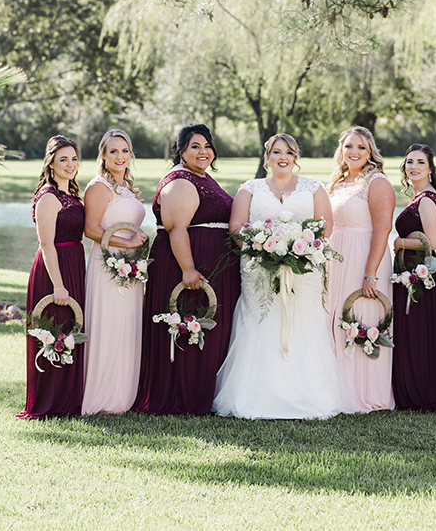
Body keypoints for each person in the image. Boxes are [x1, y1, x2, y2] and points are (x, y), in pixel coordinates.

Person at [213, 133, 350, 419]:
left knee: (303, 321)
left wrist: (298, 248)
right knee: (262, 321)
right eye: (276, 152)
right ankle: (256, 397)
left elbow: (325, 228)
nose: (282, 157)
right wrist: (262, 246)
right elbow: (237, 227)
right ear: (268, 157)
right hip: (259, 269)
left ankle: (309, 395)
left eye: (288, 152)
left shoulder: (314, 188)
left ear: (295, 157)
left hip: (304, 270)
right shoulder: (250, 188)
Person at [134, 123, 240, 414]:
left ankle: (203, 393)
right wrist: (189, 269)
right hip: (189, 266)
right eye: (195, 146)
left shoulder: (202, 177)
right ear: (180, 151)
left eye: (207, 146)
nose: (203, 151)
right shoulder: (180, 182)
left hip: (213, 266)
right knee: (190, 328)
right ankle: (184, 396)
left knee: (209, 330)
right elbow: (176, 228)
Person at [326, 126, 395, 412]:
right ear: (341, 150)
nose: (354, 152)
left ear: (371, 153)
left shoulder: (376, 182)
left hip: (364, 258)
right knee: (334, 320)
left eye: (361, 148)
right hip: (336, 259)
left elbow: (383, 229)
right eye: (349, 146)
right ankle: (336, 389)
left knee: (362, 316)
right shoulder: (338, 181)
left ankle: (364, 392)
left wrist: (370, 273)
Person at [16, 135, 85, 419]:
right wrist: (58, 284)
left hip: (74, 263)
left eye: (74, 159)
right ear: (51, 164)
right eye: (63, 160)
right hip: (54, 268)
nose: (70, 165)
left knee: (72, 331)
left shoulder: (70, 194)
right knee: (54, 330)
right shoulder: (48, 197)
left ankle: (69, 400)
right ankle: (50, 402)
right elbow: (46, 244)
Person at [82, 129, 148, 415]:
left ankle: (123, 395)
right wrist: (125, 242)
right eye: (113, 151)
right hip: (107, 262)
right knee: (108, 324)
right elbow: (91, 229)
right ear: (103, 156)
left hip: (132, 266)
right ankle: (102, 395)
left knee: (127, 325)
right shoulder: (98, 187)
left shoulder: (127, 188)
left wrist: (136, 248)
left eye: (124, 151)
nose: (120, 156)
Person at [392, 143, 436, 412]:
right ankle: (408, 390)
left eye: (420, 162)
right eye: (410, 161)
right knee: (410, 331)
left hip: (420, 274)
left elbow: (432, 241)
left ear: (430, 168)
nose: (413, 166)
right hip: (411, 271)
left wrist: (399, 243)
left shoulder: (426, 198)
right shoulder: (419, 196)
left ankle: (420, 394)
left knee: (417, 332)